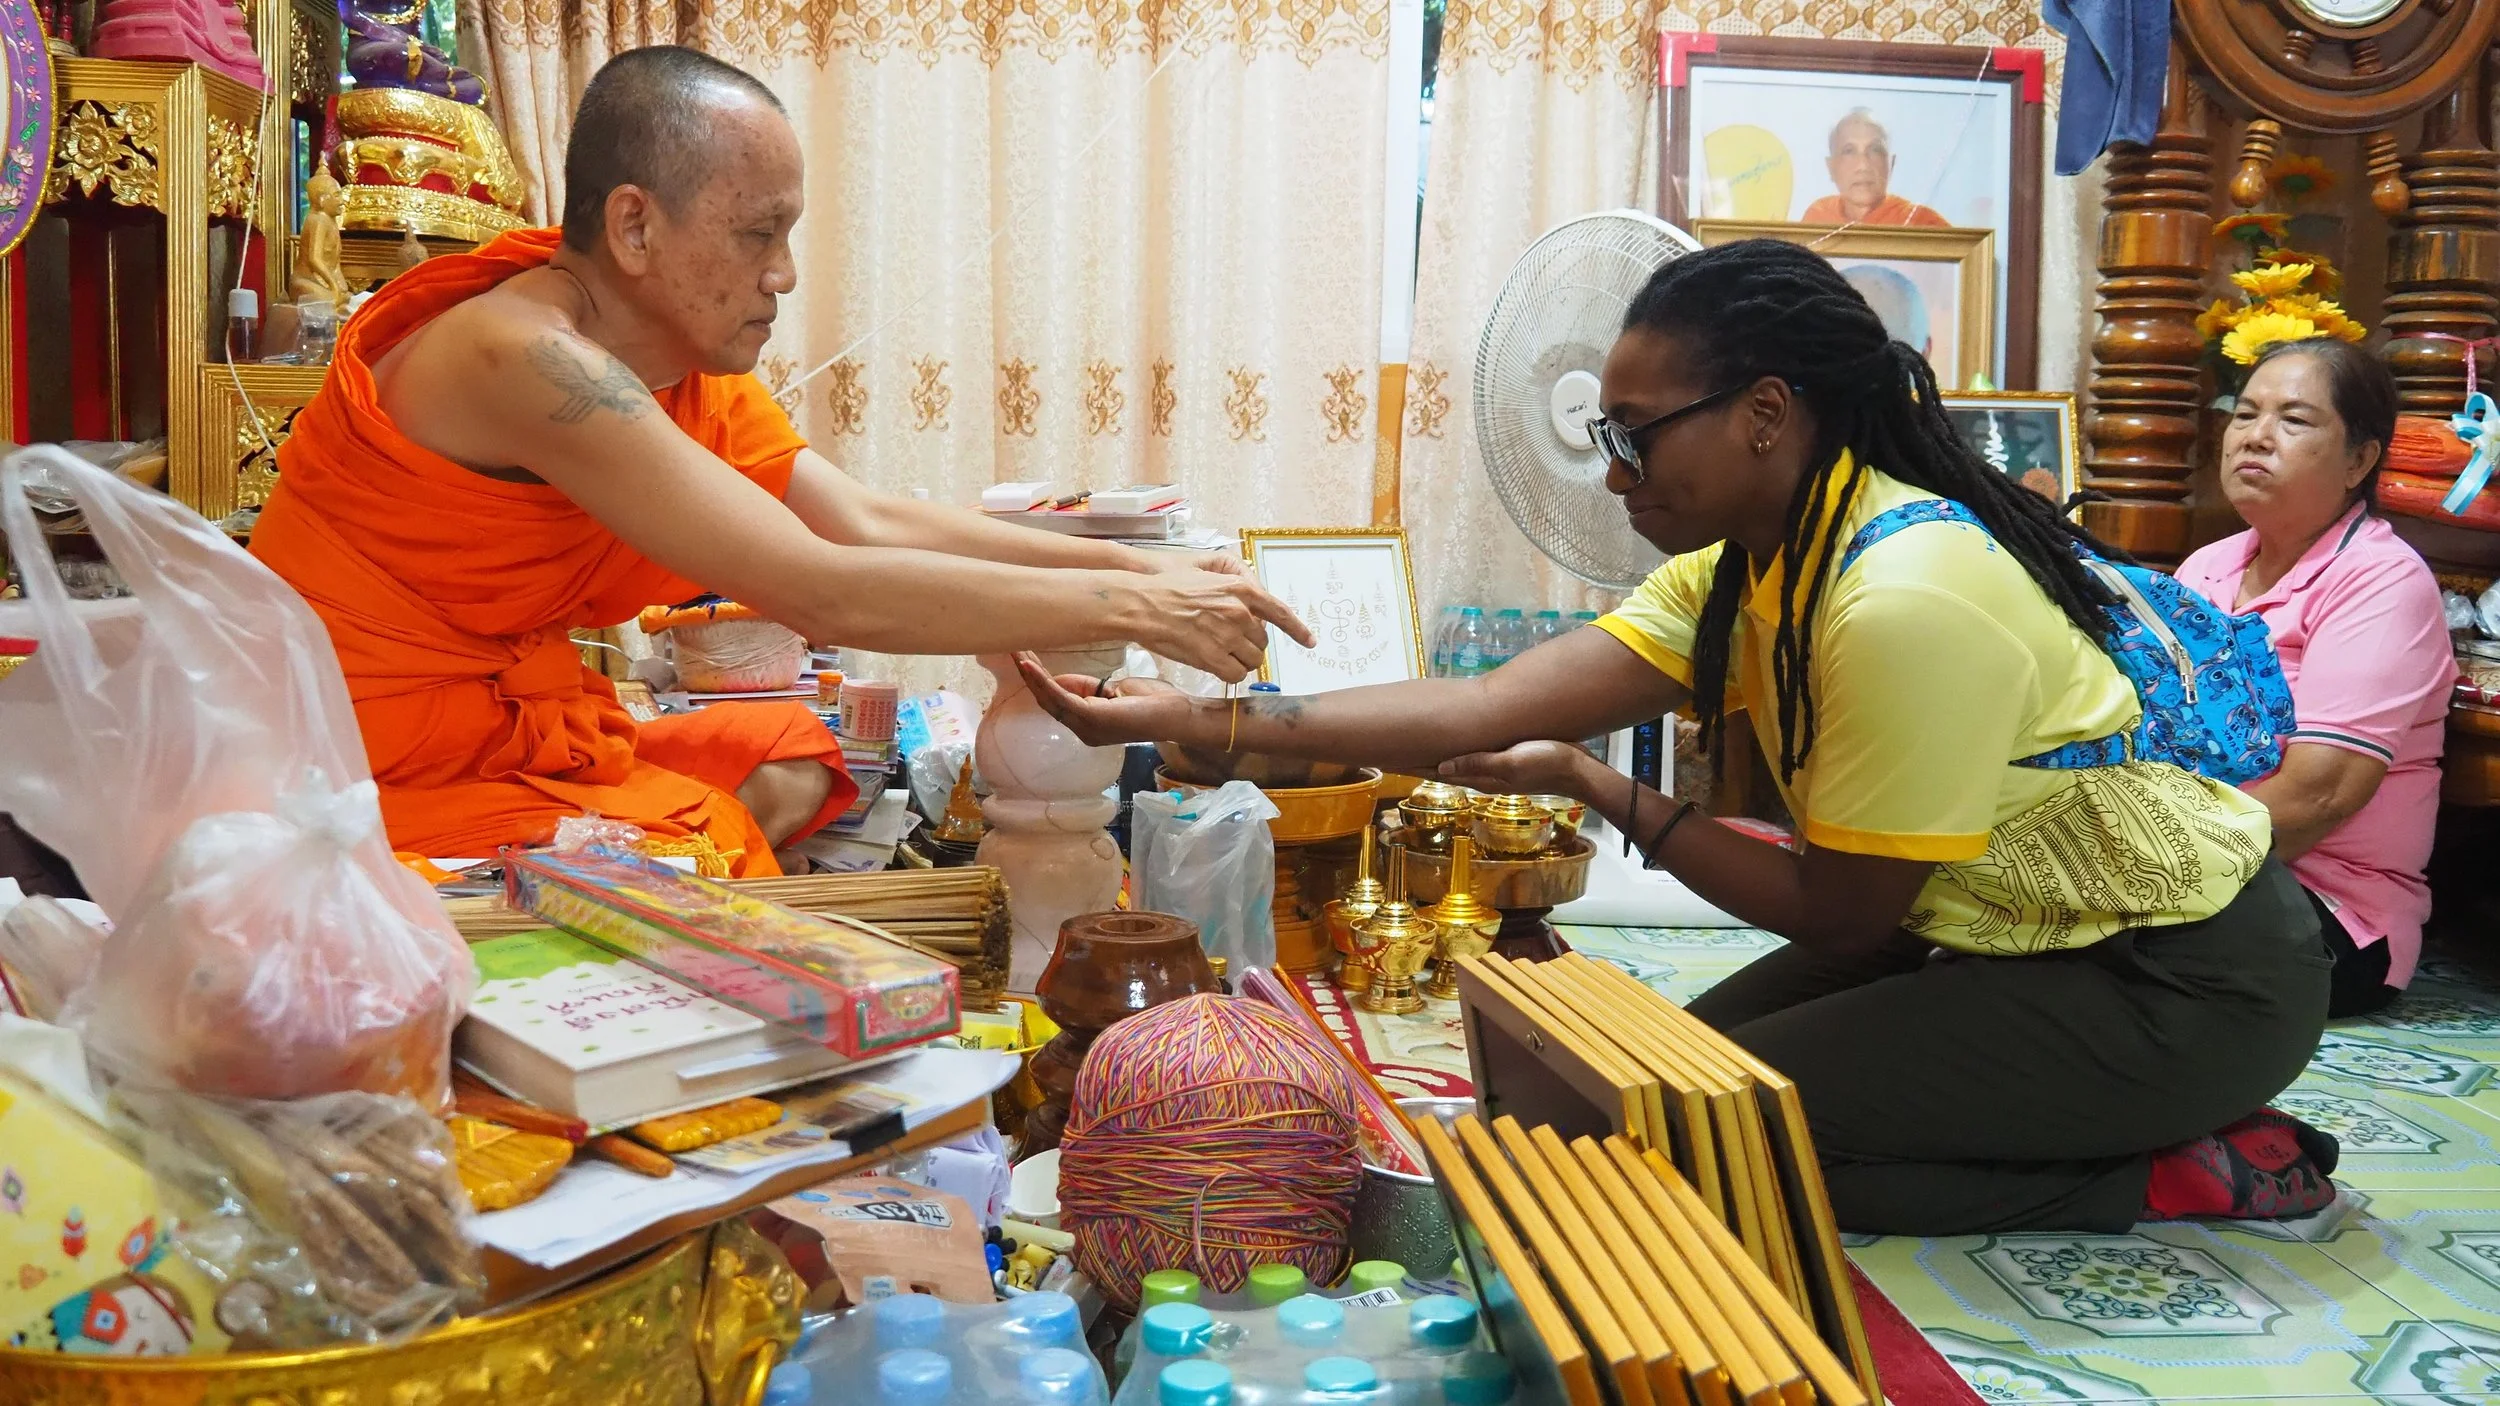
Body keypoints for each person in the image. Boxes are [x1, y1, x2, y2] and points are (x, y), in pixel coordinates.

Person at [1020, 240, 2339, 1236]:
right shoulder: (1762, 559)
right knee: (1618, 1106)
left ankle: (2172, 1160)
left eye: (1635, 436)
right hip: (1997, 942)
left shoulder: (1898, 595)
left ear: (1766, 414)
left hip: (2182, 978)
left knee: (1699, 1153)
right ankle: (2076, 1113)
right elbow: (1486, 707)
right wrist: (1194, 724)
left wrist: (1607, 789)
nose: (1612, 473)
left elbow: (1837, 913)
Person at [251, 46, 1306, 876]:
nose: (785, 274)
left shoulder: (663, 356)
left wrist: (1137, 568)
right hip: (363, 752)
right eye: (759, 235)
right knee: (690, 850)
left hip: (500, 722)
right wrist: (1134, 609)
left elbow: (862, 519)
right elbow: (825, 588)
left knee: (796, 757)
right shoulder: (525, 357)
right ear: (633, 225)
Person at [2176, 339, 2455, 1018]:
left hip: (2328, 915)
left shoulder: (2381, 581)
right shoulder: (2206, 568)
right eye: (2244, 415)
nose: (2256, 437)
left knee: (2074, 952)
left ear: (2360, 459)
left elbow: (2319, 795)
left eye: (2294, 421)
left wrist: (2141, 867)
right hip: (2198, 869)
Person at [1800, 110, 1950, 228]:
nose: (1863, 166)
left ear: (1891, 164)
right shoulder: (1818, 216)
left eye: (1875, 150)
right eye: (1849, 151)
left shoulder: (1922, 222)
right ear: (1831, 167)